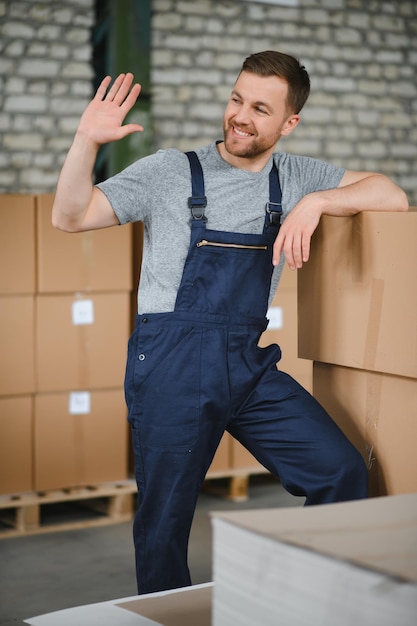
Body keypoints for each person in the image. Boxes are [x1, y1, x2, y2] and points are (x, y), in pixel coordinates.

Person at [52, 50, 408, 595]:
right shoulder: (169, 170)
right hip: (170, 361)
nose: (240, 115)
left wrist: (316, 202)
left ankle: (315, 599)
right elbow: (69, 216)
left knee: (340, 471)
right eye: (237, 99)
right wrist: (86, 143)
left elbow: (391, 194)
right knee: (164, 523)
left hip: (246, 362)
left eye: (261, 108)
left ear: (289, 122)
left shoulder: (297, 176)